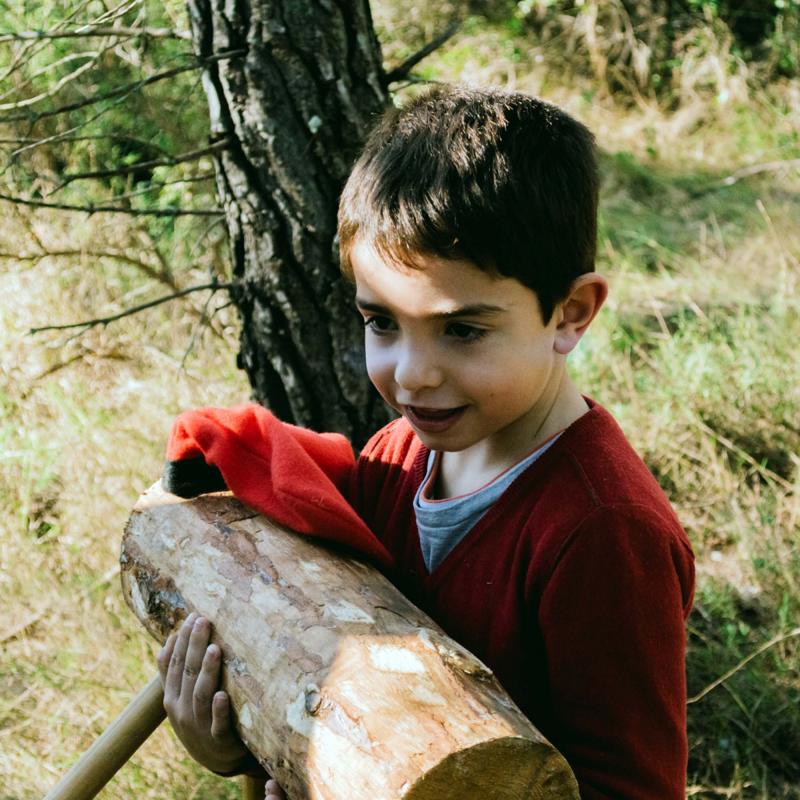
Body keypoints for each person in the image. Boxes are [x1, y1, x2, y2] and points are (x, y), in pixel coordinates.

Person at [156, 85, 695, 799]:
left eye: (462, 330)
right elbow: (343, 708)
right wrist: (241, 744)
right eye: (381, 322)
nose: (412, 375)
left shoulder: (602, 534)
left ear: (570, 314)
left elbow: (633, 788)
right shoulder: (401, 457)